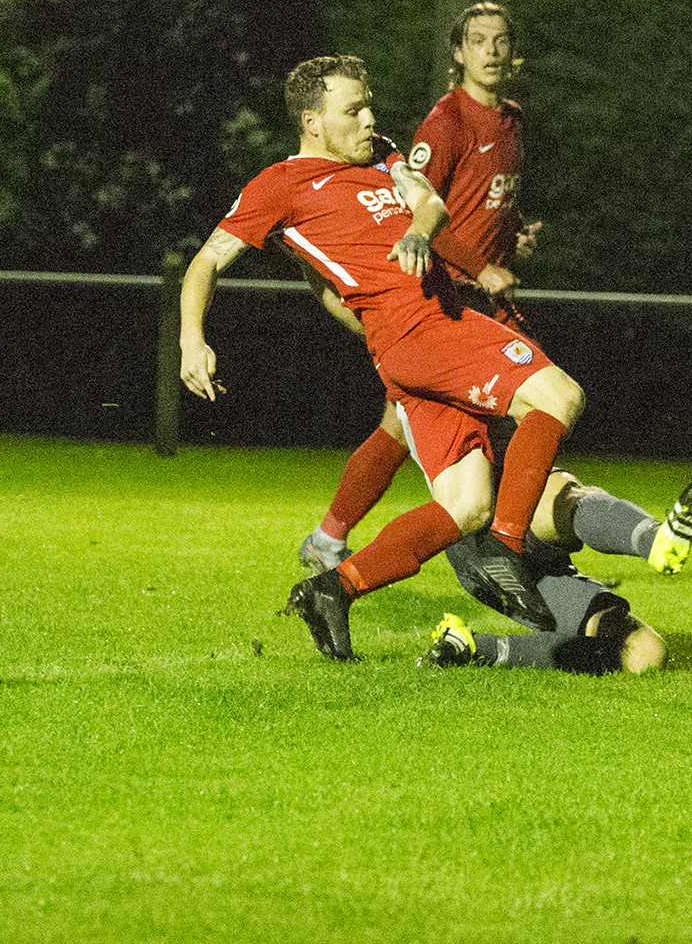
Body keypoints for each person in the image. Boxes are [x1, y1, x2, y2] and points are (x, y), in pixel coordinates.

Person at [180, 54, 587, 661]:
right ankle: (507, 546)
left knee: (464, 505)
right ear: (313, 122)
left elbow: (433, 205)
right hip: (422, 331)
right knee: (559, 396)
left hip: (427, 334)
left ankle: (333, 589)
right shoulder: (281, 187)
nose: (370, 117)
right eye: (353, 110)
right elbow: (207, 261)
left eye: (369, 104)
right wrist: (192, 339)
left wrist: (420, 231)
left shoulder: (384, 154)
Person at [420, 465, 692, 676]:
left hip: (499, 570)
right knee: (561, 491)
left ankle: (470, 647)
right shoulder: (461, 378)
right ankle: (651, 538)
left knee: (646, 654)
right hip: (482, 527)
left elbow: (384, 448)